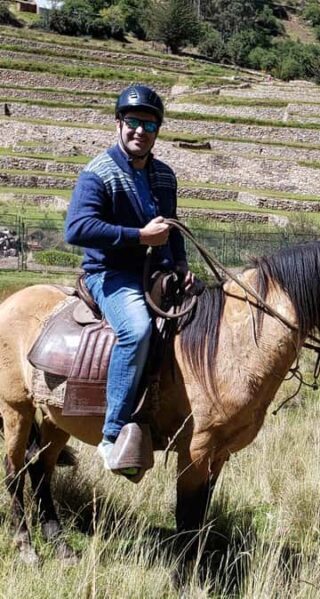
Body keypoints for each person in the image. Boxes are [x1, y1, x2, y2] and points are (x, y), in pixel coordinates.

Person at [65, 84, 195, 476]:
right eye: (133, 122)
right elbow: (77, 229)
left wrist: (182, 266)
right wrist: (138, 236)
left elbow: (169, 229)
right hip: (111, 273)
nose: (140, 131)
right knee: (137, 330)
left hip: (157, 271)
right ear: (119, 123)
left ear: (157, 131)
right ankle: (112, 434)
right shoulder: (98, 173)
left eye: (149, 125)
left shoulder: (165, 177)